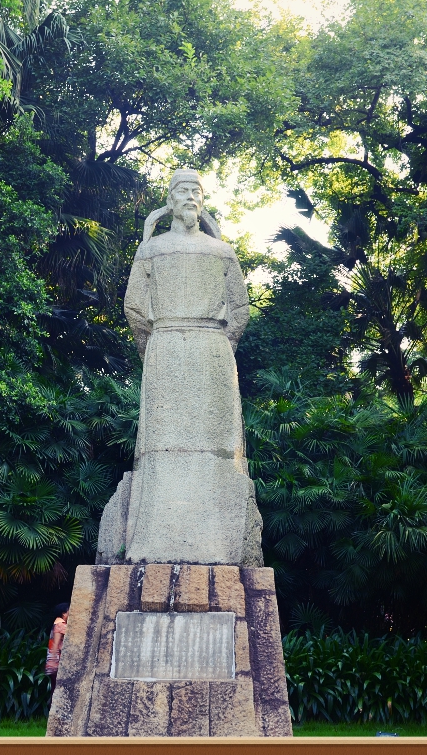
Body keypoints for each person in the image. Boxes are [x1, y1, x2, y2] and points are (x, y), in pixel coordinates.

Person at [119, 168, 263, 566]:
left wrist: (220, 347)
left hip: (211, 349)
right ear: (170, 199)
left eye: (196, 191)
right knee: (159, 449)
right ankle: (154, 538)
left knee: (221, 449)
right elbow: (135, 309)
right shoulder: (150, 250)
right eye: (182, 190)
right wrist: (154, 350)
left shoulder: (223, 252)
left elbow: (240, 310)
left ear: (203, 200)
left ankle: (221, 540)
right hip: (165, 346)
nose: (190, 197)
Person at [45, 602, 69, 704]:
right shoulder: (60, 625)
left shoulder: (56, 623)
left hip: (53, 659)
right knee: (57, 688)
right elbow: (56, 643)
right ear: (64, 613)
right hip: (57, 660)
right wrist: (54, 661)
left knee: (54, 687)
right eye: (69, 611)